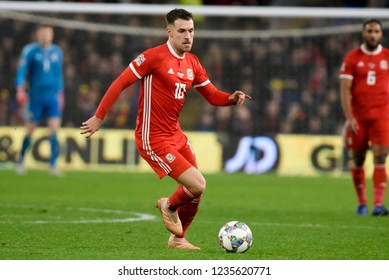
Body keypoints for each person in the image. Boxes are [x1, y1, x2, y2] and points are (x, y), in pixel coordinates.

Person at [80, 8, 251, 249]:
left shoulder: (192, 62)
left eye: (191, 31)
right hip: (153, 138)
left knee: (195, 191)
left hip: (176, 135)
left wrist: (230, 99)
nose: (188, 36)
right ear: (169, 32)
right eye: (182, 31)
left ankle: (178, 240)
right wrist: (99, 117)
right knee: (198, 184)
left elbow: (212, 95)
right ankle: (168, 205)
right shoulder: (153, 57)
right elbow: (119, 83)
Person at [340, 18, 389, 216]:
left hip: (382, 116)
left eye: (376, 31)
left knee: (380, 157)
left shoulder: (387, 57)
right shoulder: (352, 58)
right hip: (358, 117)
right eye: (369, 31)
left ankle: (378, 205)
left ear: (381, 34)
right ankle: (362, 202)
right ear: (363, 33)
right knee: (358, 159)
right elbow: (345, 91)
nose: (372, 35)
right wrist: (349, 117)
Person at [15, 25, 64, 176]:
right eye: (43, 33)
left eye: (48, 33)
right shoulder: (30, 51)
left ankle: (53, 165)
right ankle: (21, 160)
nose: (45, 36)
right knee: (30, 129)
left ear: (52, 34)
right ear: (38, 34)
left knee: (54, 128)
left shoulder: (57, 52)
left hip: (52, 96)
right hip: (36, 96)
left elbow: (58, 75)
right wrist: (20, 89)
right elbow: (22, 71)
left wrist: (61, 94)